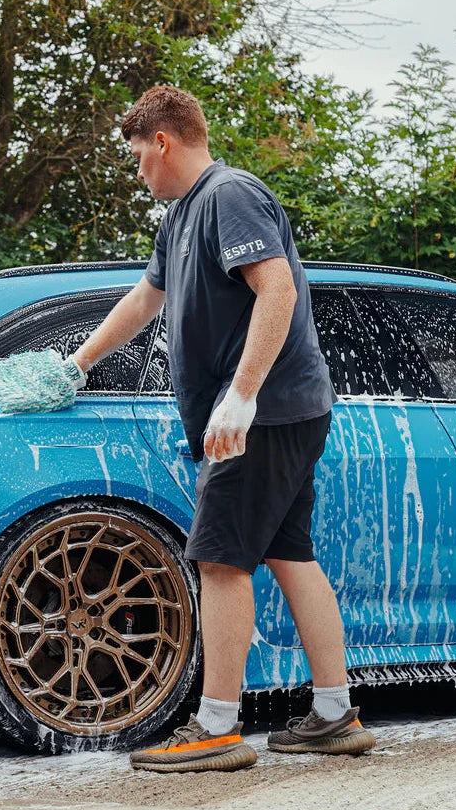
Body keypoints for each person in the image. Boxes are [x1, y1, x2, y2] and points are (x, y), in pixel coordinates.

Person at [69, 85, 375, 772]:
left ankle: (216, 728)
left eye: (138, 156)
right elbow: (146, 299)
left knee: (219, 560)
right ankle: (334, 713)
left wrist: (241, 396)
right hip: (277, 410)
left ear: (164, 142)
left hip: (260, 415)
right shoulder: (180, 219)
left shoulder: (228, 194)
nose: (138, 171)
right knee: (290, 553)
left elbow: (279, 289)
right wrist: (78, 365)